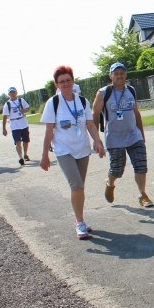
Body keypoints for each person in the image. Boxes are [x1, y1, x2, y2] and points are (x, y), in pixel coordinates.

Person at [40, 66, 106, 240]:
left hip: (82, 149)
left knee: (80, 187)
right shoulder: (53, 103)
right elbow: (48, 131)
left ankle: (80, 218)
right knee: (76, 186)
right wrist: (44, 155)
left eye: (68, 80)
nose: (66, 83)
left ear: (73, 80)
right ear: (57, 84)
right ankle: (79, 222)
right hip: (63, 150)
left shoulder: (82, 101)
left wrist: (98, 142)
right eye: (61, 81)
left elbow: (90, 125)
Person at [91, 62, 153, 207]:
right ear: (110, 75)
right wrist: (96, 139)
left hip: (133, 135)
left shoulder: (131, 90)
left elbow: (136, 112)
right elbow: (95, 114)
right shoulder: (103, 93)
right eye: (116, 73)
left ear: (126, 74)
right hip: (114, 138)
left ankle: (142, 194)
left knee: (141, 166)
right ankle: (110, 183)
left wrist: (141, 135)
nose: (119, 76)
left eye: (122, 73)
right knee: (117, 170)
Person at [1, 86, 31, 165]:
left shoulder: (21, 100)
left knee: (26, 141)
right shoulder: (7, 104)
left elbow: (28, 108)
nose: (12, 94)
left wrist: (25, 110)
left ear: (16, 92)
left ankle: (25, 154)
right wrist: (4, 128)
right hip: (14, 125)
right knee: (18, 142)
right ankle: (20, 158)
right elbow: (4, 116)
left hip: (23, 123)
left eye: (14, 92)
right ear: (9, 94)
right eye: (11, 92)